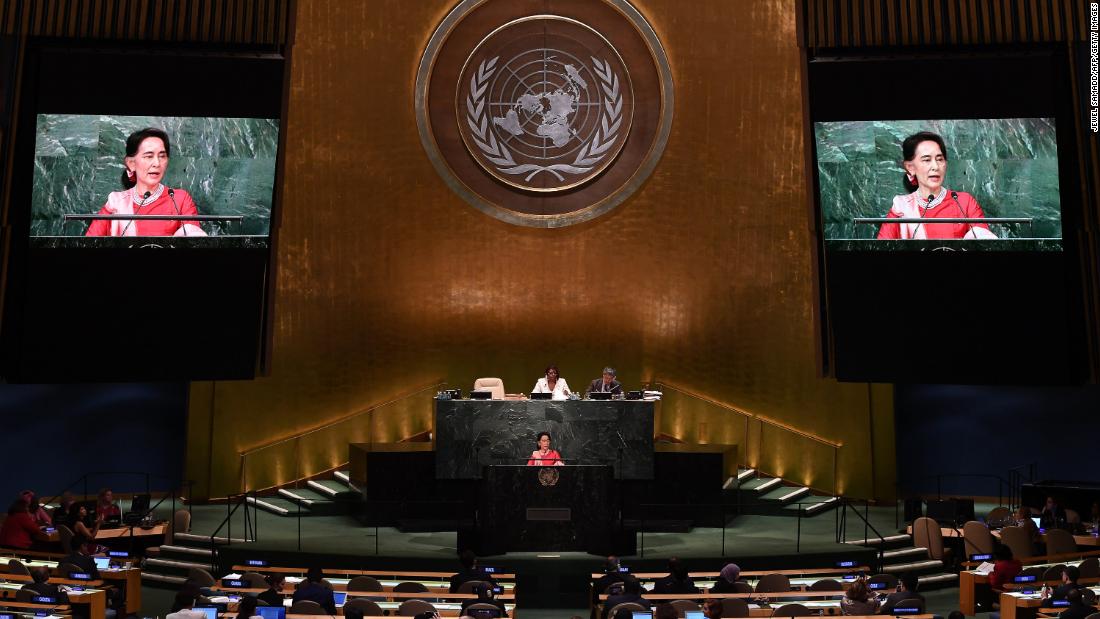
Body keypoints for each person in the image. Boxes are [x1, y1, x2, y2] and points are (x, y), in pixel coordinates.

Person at [85, 127, 206, 237]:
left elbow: (194, 241)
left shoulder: (179, 199)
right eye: (149, 156)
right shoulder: (116, 203)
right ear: (131, 163)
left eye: (162, 156)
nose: (157, 163)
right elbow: (88, 242)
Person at [877, 131, 996, 240]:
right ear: (910, 167)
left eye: (940, 159)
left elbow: (985, 244)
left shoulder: (964, 202)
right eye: (927, 160)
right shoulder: (901, 208)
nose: (935, 166)